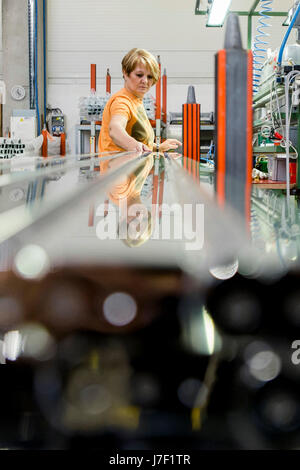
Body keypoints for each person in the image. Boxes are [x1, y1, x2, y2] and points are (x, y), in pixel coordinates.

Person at [98, 48, 181, 167]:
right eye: (139, 75)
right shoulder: (122, 101)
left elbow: (139, 141)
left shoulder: (136, 101)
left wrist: (158, 147)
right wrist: (134, 146)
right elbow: (115, 129)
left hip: (130, 177)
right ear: (126, 73)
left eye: (150, 77)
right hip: (118, 178)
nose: (145, 81)